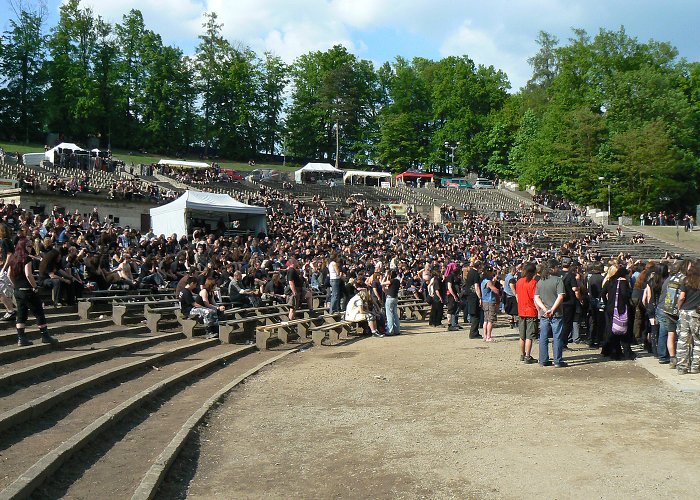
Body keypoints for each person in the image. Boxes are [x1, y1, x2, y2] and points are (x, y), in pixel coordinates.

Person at [8, 238, 58, 347]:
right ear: (23, 247)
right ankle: (45, 336)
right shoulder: (26, 258)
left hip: (18, 291)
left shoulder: (13, 258)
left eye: (31, 246)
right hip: (27, 290)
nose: (31, 248)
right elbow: (28, 274)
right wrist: (35, 287)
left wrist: (15, 285)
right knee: (39, 312)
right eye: (28, 246)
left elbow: (9, 275)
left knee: (21, 314)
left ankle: (21, 338)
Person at [534, 260, 566, 367]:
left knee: (543, 336)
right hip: (556, 313)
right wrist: (552, 310)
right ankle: (558, 360)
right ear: (553, 268)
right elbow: (560, 296)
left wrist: (544, 309)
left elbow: (536, 297)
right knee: (557, 337)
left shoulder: (541, 281)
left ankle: (543, 359)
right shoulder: (558, 280)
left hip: (544, 313)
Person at [601, 265, 636, 361]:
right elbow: (626, 295)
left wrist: (606, 303)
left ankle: (614, 352)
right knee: (623, 330)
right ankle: (627, 351)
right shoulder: (623, 282)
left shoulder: (610, 281)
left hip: (610, 308)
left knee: (613, 330)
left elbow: (603, 293)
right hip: (621, 309)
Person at [675, 262, 700, 374]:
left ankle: (682, 366)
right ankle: (695, 366)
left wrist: (679, 307)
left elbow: (681, 297)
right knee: (698, 340)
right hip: (697, 312)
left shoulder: (685, 280)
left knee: (683, 339)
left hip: (685, 311)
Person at [515, 262, 538, 364]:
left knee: (522, 335)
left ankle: (522, 354)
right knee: (529, 336)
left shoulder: (519, 281)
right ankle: (528, 356)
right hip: (531, 310)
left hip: (521, 310)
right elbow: (535, 298)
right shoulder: (533, 283)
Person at [480, 266, 500, 342]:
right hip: (490, 301)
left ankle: (485, 336)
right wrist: (499, 292)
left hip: (485, 301)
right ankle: (489, 336)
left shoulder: (483, 281)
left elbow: (492, 283)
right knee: (490, 320)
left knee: (486, 320)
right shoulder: (488, 282)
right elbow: (495, 290)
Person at [382, 269, 401, 336]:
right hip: (395, 298)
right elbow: (387, 288)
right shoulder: (397, 281)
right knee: (395, 314)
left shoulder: (391, 281)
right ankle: (397, 330)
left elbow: (382, 283)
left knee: (389, 314)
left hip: (390, 298)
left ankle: (390, 330)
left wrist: (385, 276)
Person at [444, 262, 461, 331]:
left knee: (454, 310)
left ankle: (453, 324)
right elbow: (449, 287)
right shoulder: (450, 276)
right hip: (450, 295)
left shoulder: (455, 276)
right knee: (450, 310)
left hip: (455, 294)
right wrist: (454, 295)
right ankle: (449, 325)